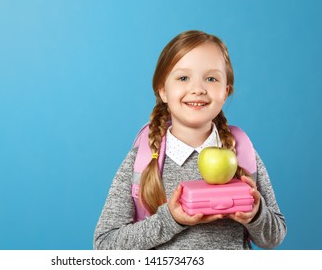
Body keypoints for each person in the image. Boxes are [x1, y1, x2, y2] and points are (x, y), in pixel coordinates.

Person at [93, 30, 287, 250]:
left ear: (225, 92)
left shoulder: (240, 151)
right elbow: (105, 246)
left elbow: (274, 236)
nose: (197, 89)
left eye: (211, 78)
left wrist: (256, 213)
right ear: (163, 91)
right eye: (183, 78)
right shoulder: (144, 157)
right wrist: (170, 220)